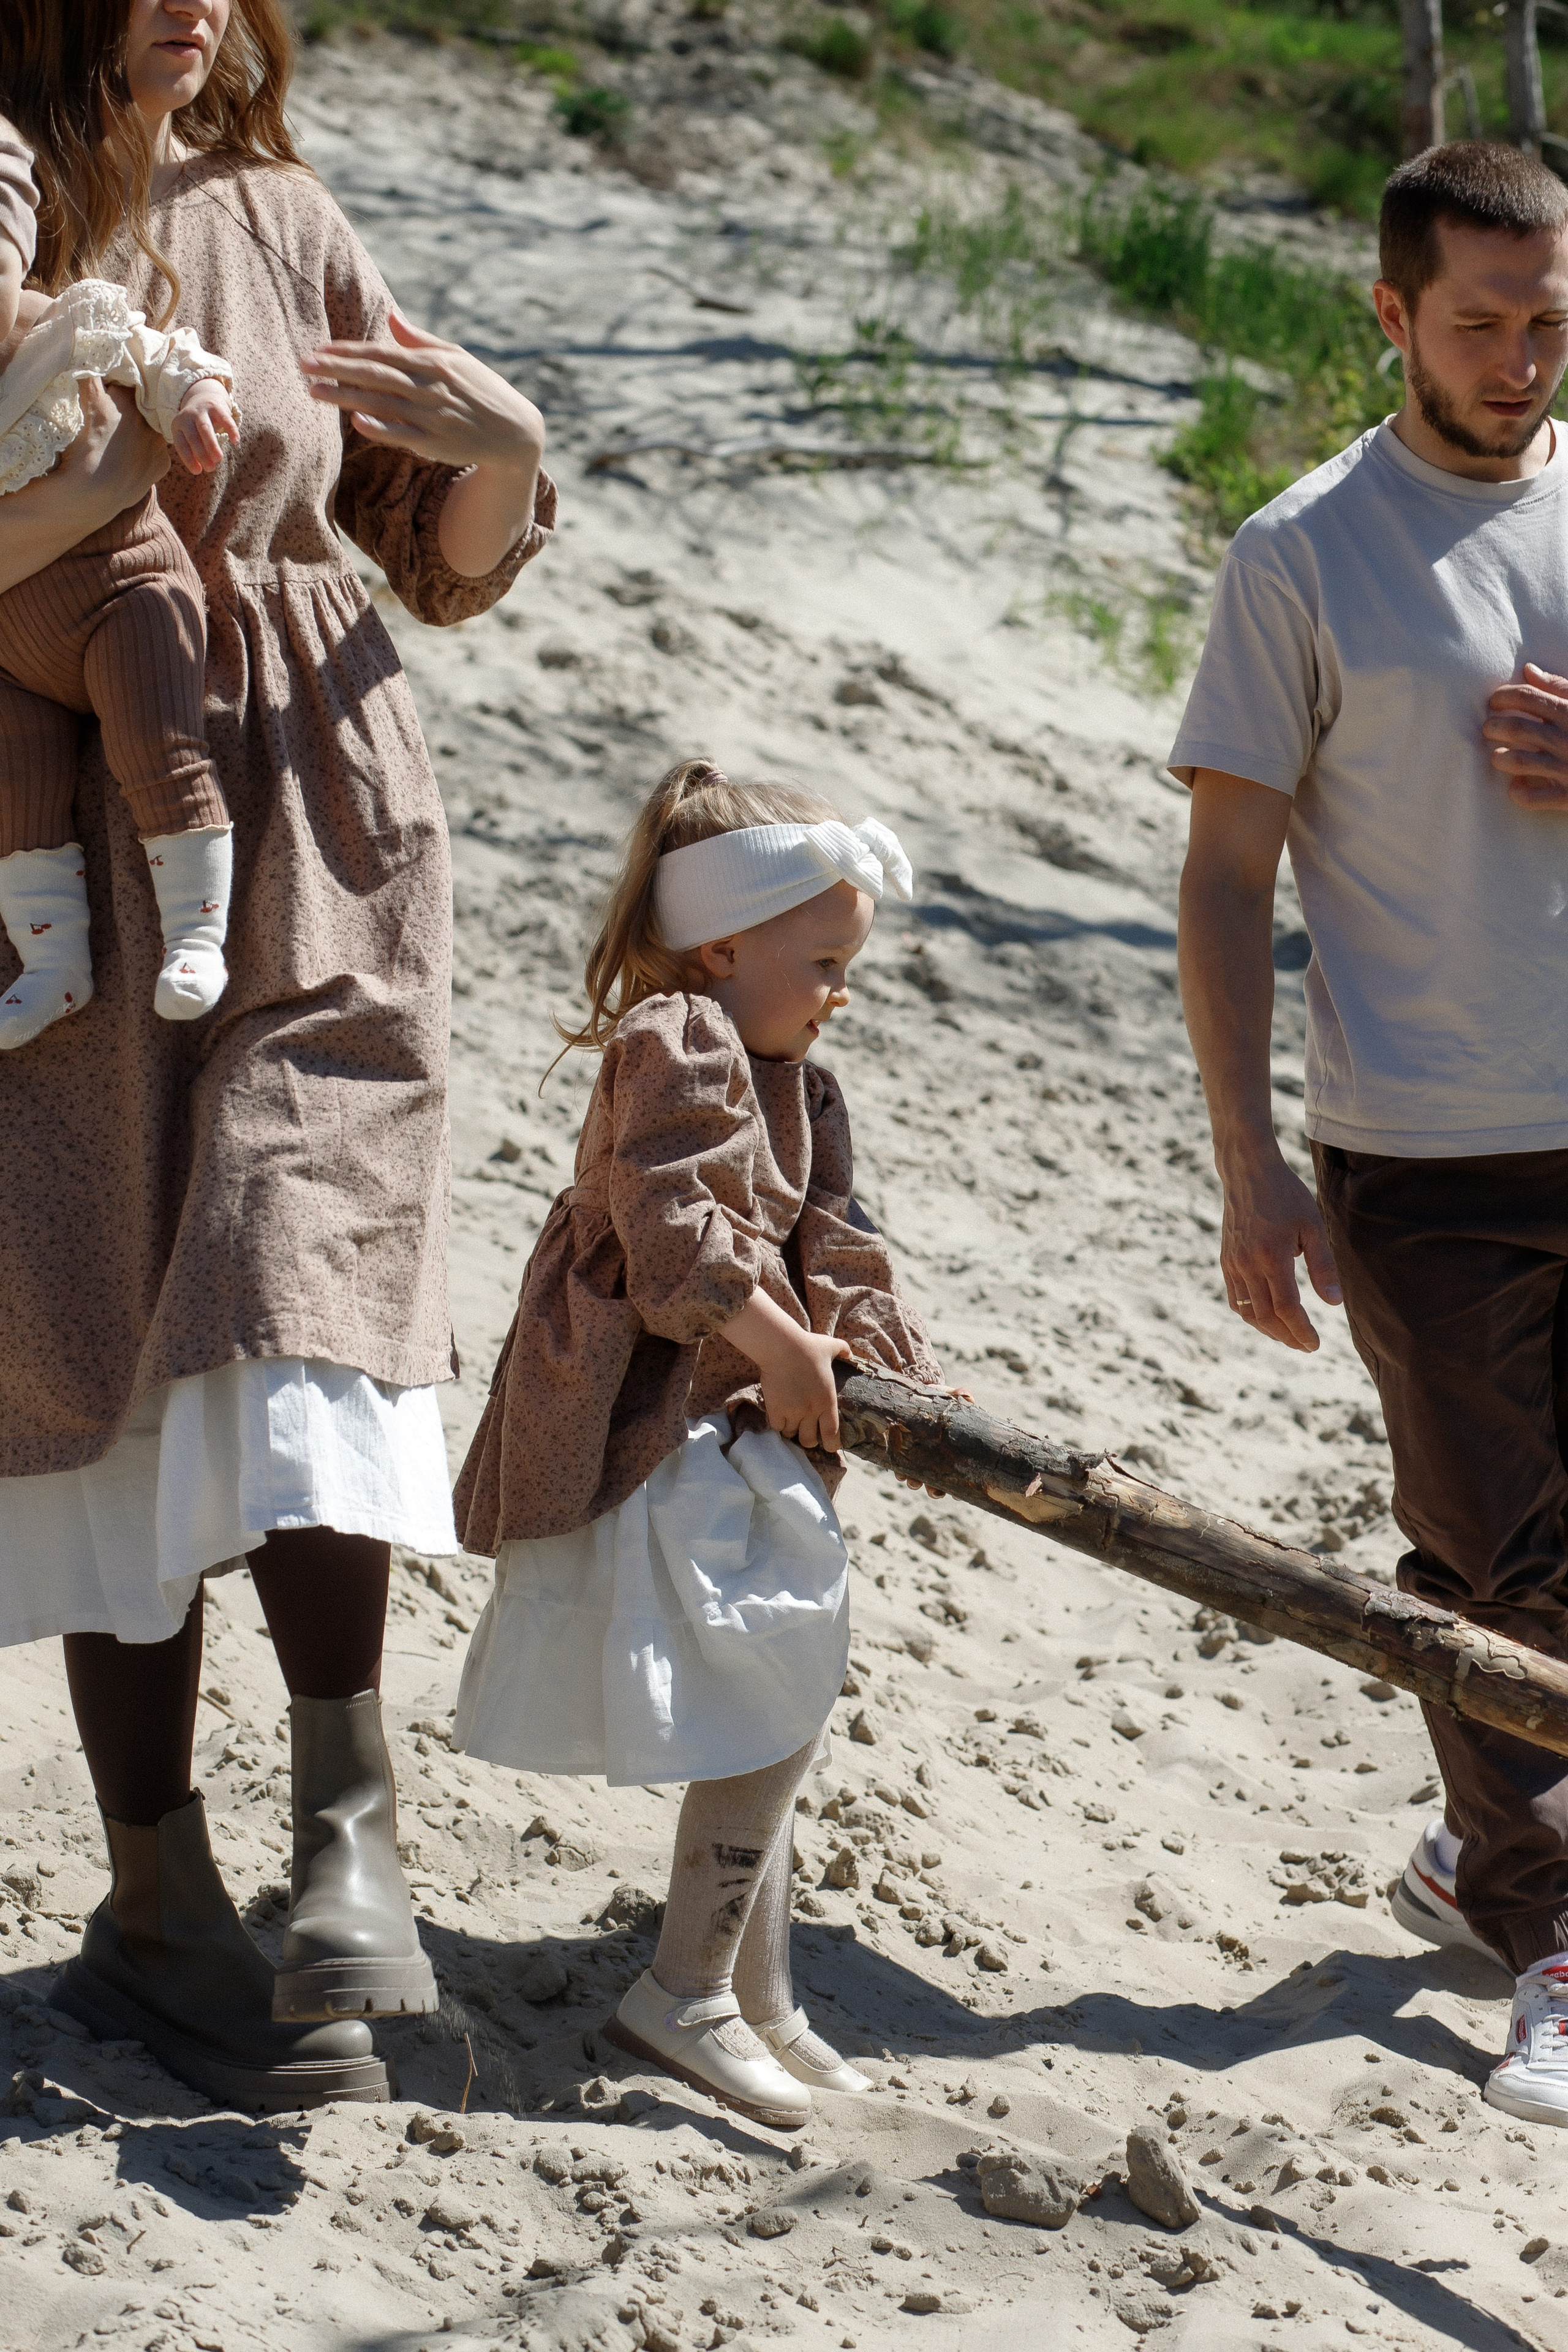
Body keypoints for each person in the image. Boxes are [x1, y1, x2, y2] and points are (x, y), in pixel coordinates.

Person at [0, 0, 553, 2113]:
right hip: (64, 811)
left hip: (326, 795)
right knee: (106, 1329)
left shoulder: (287, 206)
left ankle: (350, 1840)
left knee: (298, 1268)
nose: (197, 2)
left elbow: (443, 550)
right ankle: (154, 1897)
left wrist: (498, 449)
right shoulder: (12, 198)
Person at [1172, 138, 1568, 2128]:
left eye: (1551, 321)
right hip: (1424, 1148)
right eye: (1480, 323)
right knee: (1496, 1557)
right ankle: (1553, 1936)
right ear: (1394, 314)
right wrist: (1250, 1167)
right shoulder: (1304, 554)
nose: (1519, 361)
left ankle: (1471, 1858)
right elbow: (1228, 874)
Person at [453, 760, 941, 2130]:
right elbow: (670, 1234)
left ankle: (756, 1992)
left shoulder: (803, 1080)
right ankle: (684, 1988)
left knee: (774, 1685)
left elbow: (830, 1237)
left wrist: (871, 1348)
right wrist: (782, 1345)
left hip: (731, 1416)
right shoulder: (675, 1041)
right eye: (824, 961)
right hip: (645, 1408)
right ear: (723, 945)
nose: (839, 990)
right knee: (779, 1667)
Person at [0, 124, 241, 1047]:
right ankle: (52, 963)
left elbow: (159, 352)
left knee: (159, 745)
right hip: (12, 654)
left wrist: (194, 397)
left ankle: (195, 932)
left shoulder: (60, 325)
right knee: (15, 789)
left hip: (123, 592)